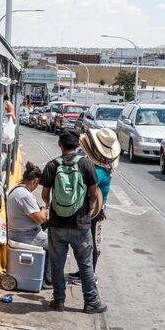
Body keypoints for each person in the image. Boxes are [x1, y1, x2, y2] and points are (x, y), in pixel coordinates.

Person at [41, 131, 107, 314]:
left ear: (59, 145)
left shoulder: (52, 165)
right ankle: (91, 302)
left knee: (57, 264)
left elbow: (45, 195)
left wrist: (52, 206)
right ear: (78, 145)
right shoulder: (86, 164)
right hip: (81, 224)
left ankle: (58, 300)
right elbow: (94, 194)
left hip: (57, 225)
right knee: (85, 264)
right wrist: (87, 209)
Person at [70, 128, 120, 284]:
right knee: (89, 242)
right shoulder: (102, 168)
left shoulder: (97, 171)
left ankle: (89, 276)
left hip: (92, 210)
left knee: (89, 243)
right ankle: (84, 273)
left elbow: (85, 189)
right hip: (96, 209)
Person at [6, 162, 51, 285]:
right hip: (27, 236)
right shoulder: (25, 195)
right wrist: (45, 210)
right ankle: (48, 280)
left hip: (20, 230)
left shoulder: (17, 189)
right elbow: (40, 219)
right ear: (35, 181)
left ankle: (45, 272)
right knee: (57, 245)